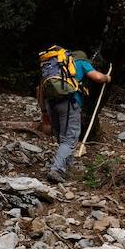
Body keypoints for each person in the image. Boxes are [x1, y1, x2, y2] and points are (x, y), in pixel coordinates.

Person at [38, 47, 111, 183]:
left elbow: (41, 90)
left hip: (51, 103)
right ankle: (57, 170)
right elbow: (97, 77)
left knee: (62, 137)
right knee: (70, 138)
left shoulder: (53, 65)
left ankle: (66, 168)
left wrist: (44, 112)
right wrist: (107, 77)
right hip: (69, 102)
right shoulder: (81, 62)